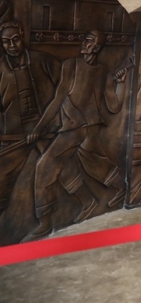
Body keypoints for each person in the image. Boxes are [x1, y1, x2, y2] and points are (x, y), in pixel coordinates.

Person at [24, 31, 129, 240]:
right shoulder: (72, 66)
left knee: (45, 166)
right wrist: (41, 127)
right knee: (95, 163)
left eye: (89, 40)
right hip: (80, 128)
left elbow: (114, 106)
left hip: (80, 129)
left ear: (96, 47)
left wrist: (120, 84)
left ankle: (44, 222)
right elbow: (59, 98)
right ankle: (119, 189)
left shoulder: (100, 72)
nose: (83, 42)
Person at [0, 22, 60, 214]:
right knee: (3, 175)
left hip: (47, 128)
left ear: (22, 36)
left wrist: (56, 123)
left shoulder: (44, 60)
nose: (11, 45)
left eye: (15, 39)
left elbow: (64, 91)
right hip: (15, 133)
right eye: (6, 41)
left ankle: (51, 214)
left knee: (60, 168)